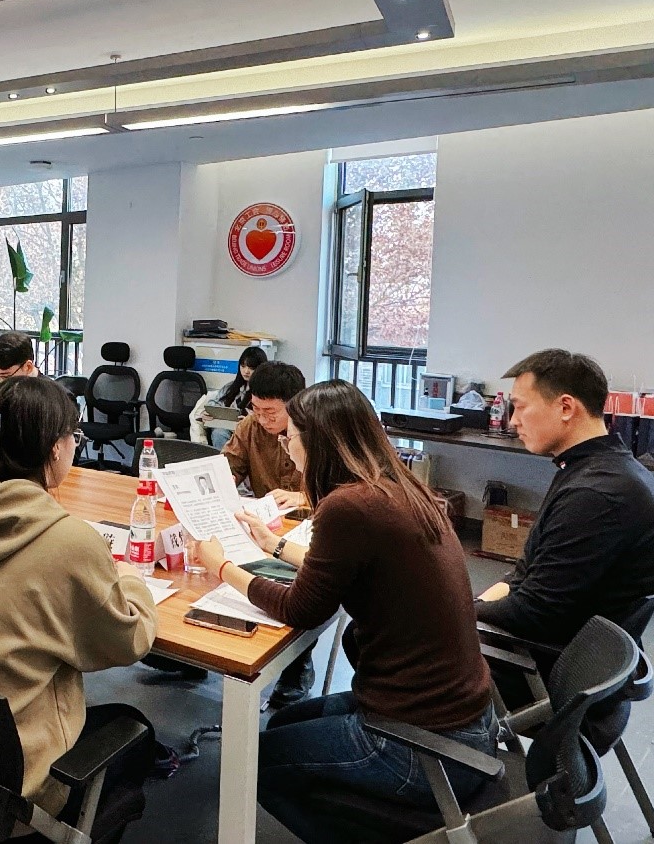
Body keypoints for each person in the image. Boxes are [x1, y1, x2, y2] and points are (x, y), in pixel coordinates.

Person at [196, 380, 497, 844]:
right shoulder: (395, 488)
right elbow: (343, 568)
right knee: (283, 723)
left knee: (256, 762)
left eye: (290, 437)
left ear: (318, 441)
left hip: (426, 744)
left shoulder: (348, 506)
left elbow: (301, 608)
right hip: (462, 719)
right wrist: (273, 544)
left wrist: (221, 567)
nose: (287, 446)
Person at [0, 376, 159, 822]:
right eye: (74, 435)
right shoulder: (69, 540)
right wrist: (132, 579)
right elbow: (129, 641)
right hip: (11, 781)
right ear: (56, 448)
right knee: (140, 733)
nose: (76, 444)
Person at [475, 349, 654, 706]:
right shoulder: (599, 469)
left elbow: (534, 612)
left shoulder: (596, 495)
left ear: (566, 407)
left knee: (392, 650)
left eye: (520, 407)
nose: (512, 421)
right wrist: (478, 604)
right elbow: (526, 573)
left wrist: (455, 612)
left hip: (550, 673)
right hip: (571, 656)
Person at [221, 360, 312, 705]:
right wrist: (220, 486)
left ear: (296, 405)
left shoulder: (318, 432)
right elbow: (229, 469)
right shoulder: (250, 427)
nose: (262, 419)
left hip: (311, 530)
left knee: (301, 591)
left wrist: (304, 497)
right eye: (256, 410)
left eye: (270, 412)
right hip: (265, 529)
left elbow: (346, 489)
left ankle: (297, 665)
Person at [190, 345, 267, 449]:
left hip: (252, 432)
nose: (246, 371)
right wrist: (208, 414)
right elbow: (215, 403)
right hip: (227, 428)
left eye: (251, 368)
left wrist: (251, 420)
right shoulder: (231, 387)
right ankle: (222, 459)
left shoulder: (265, 391)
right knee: (219, 432)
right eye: (243, 366)